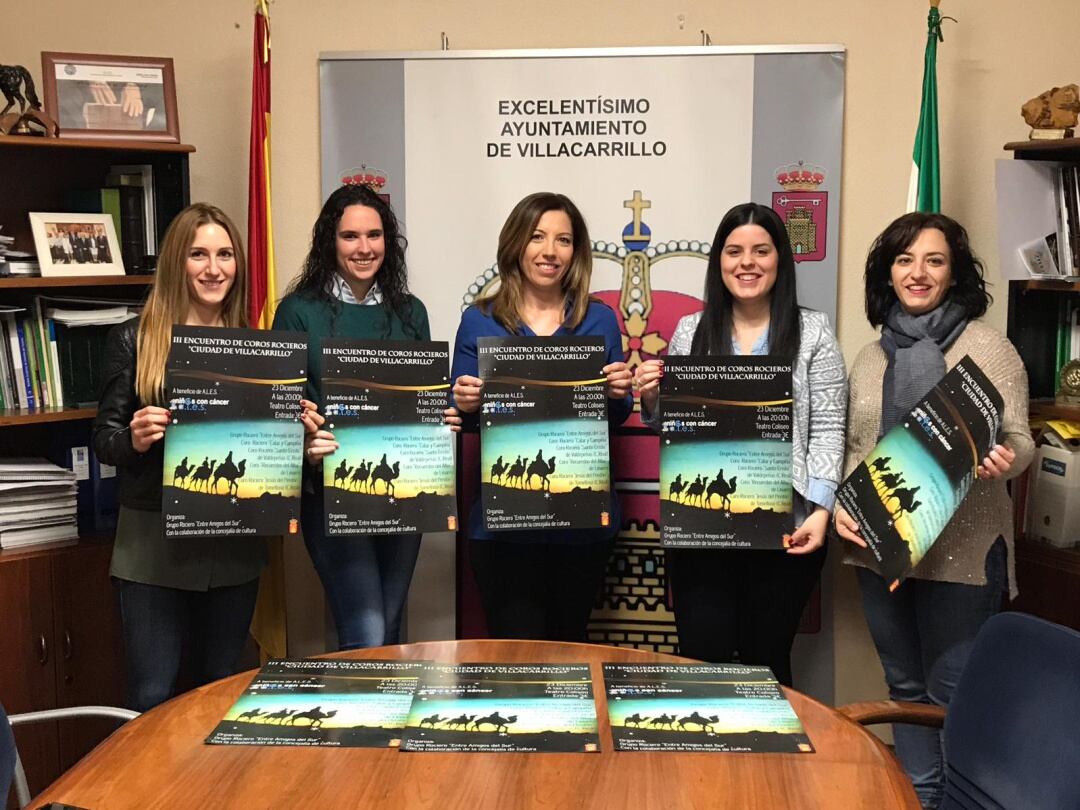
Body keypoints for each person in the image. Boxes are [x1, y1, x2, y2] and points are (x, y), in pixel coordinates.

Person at [832, 212, 1034, 809]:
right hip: (880, 548)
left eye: (934, 260)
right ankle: (918, 800)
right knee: (903, 690)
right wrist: (846, 494)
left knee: (953, 695)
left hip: (963, 554)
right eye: (904, 260)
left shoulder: (989, 350)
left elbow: (1021, 440)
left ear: (954, 273)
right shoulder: (870, 358)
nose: (918, 273)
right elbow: (853, 448)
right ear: (888, 273)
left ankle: (959, 802)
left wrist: (1006, 460)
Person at [633, 202, 846, 686]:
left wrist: (820, 508)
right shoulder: (691, 330)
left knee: (765, 662)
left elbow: (831, 427)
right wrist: (651, 398)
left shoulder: (813, 332)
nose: (747, 263)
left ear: (780, 260)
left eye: (761, 251)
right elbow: (674, 425)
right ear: (719, 261)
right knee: (701, 661)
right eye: (734, 251)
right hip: (702, 528)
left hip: (786, 527)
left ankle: (770, 765)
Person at [92, 203, 266, 712]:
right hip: (153, 548)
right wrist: (137, 436)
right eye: (198, 254)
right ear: (176, 262)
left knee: (220, 691)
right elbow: (104, 439)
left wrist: (291, 430)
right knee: (152, 695)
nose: (214, 269)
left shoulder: (257, 349)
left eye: (225, 254)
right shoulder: (133, 339)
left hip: (234, 546)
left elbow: (260, 451)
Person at [449, 191, 634, 641]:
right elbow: (458, 412)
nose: (550, 252)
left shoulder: (600, 320)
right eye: (537, 237)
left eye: (564, 240)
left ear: (576, 251)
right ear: (516, 244)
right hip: (503, 531)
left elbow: (617, 414)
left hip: (582, 527)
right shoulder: (480, 320)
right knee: (518, 666)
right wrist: (466, 402)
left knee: (570, 654)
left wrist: (617, 391)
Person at [272, 184, 430, 650]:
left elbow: (421, 402)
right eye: (349, 236)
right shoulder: (298, 312)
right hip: (331, 495)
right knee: (366, 632)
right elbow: (280, 414)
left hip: (403, 495)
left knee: (392, 628)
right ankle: (355, 726)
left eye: (375, 235)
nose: (364, 248)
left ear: (389, 241)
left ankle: (381, 727)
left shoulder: (411, 313)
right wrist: (304, 444)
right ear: (329, 241)